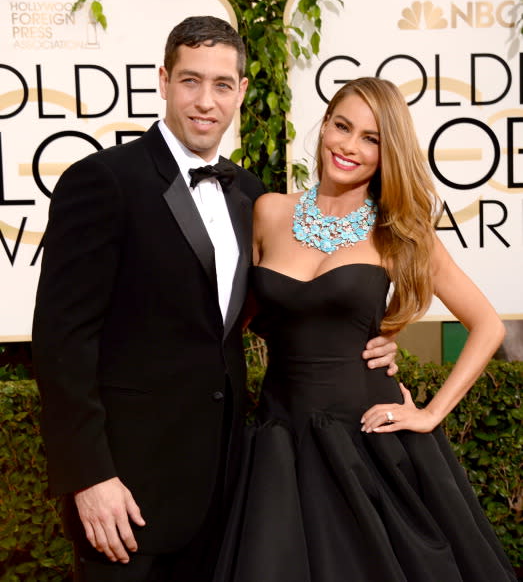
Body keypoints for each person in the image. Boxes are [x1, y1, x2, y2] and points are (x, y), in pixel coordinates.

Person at [31, 18, 397, 582]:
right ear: (163, 80)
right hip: (126, 496)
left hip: (229, 491)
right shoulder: (103, 181)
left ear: (242, 92)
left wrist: (372, 343)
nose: (206, 102)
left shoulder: (251, 195)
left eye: (223, 85)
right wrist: (89, 477)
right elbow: (61, 343)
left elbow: (278, 310)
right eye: (190, 81)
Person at [212, 77, 517, 582]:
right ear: (326, 124)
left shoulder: (397, 230)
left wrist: (429, 413)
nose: (349, 146)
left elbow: (486, 325)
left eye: (370, 138)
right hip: (280, 438)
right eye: (342, 126)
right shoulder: (269, 211)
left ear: (387, 151)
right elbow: (240, 318)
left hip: (368, 439)